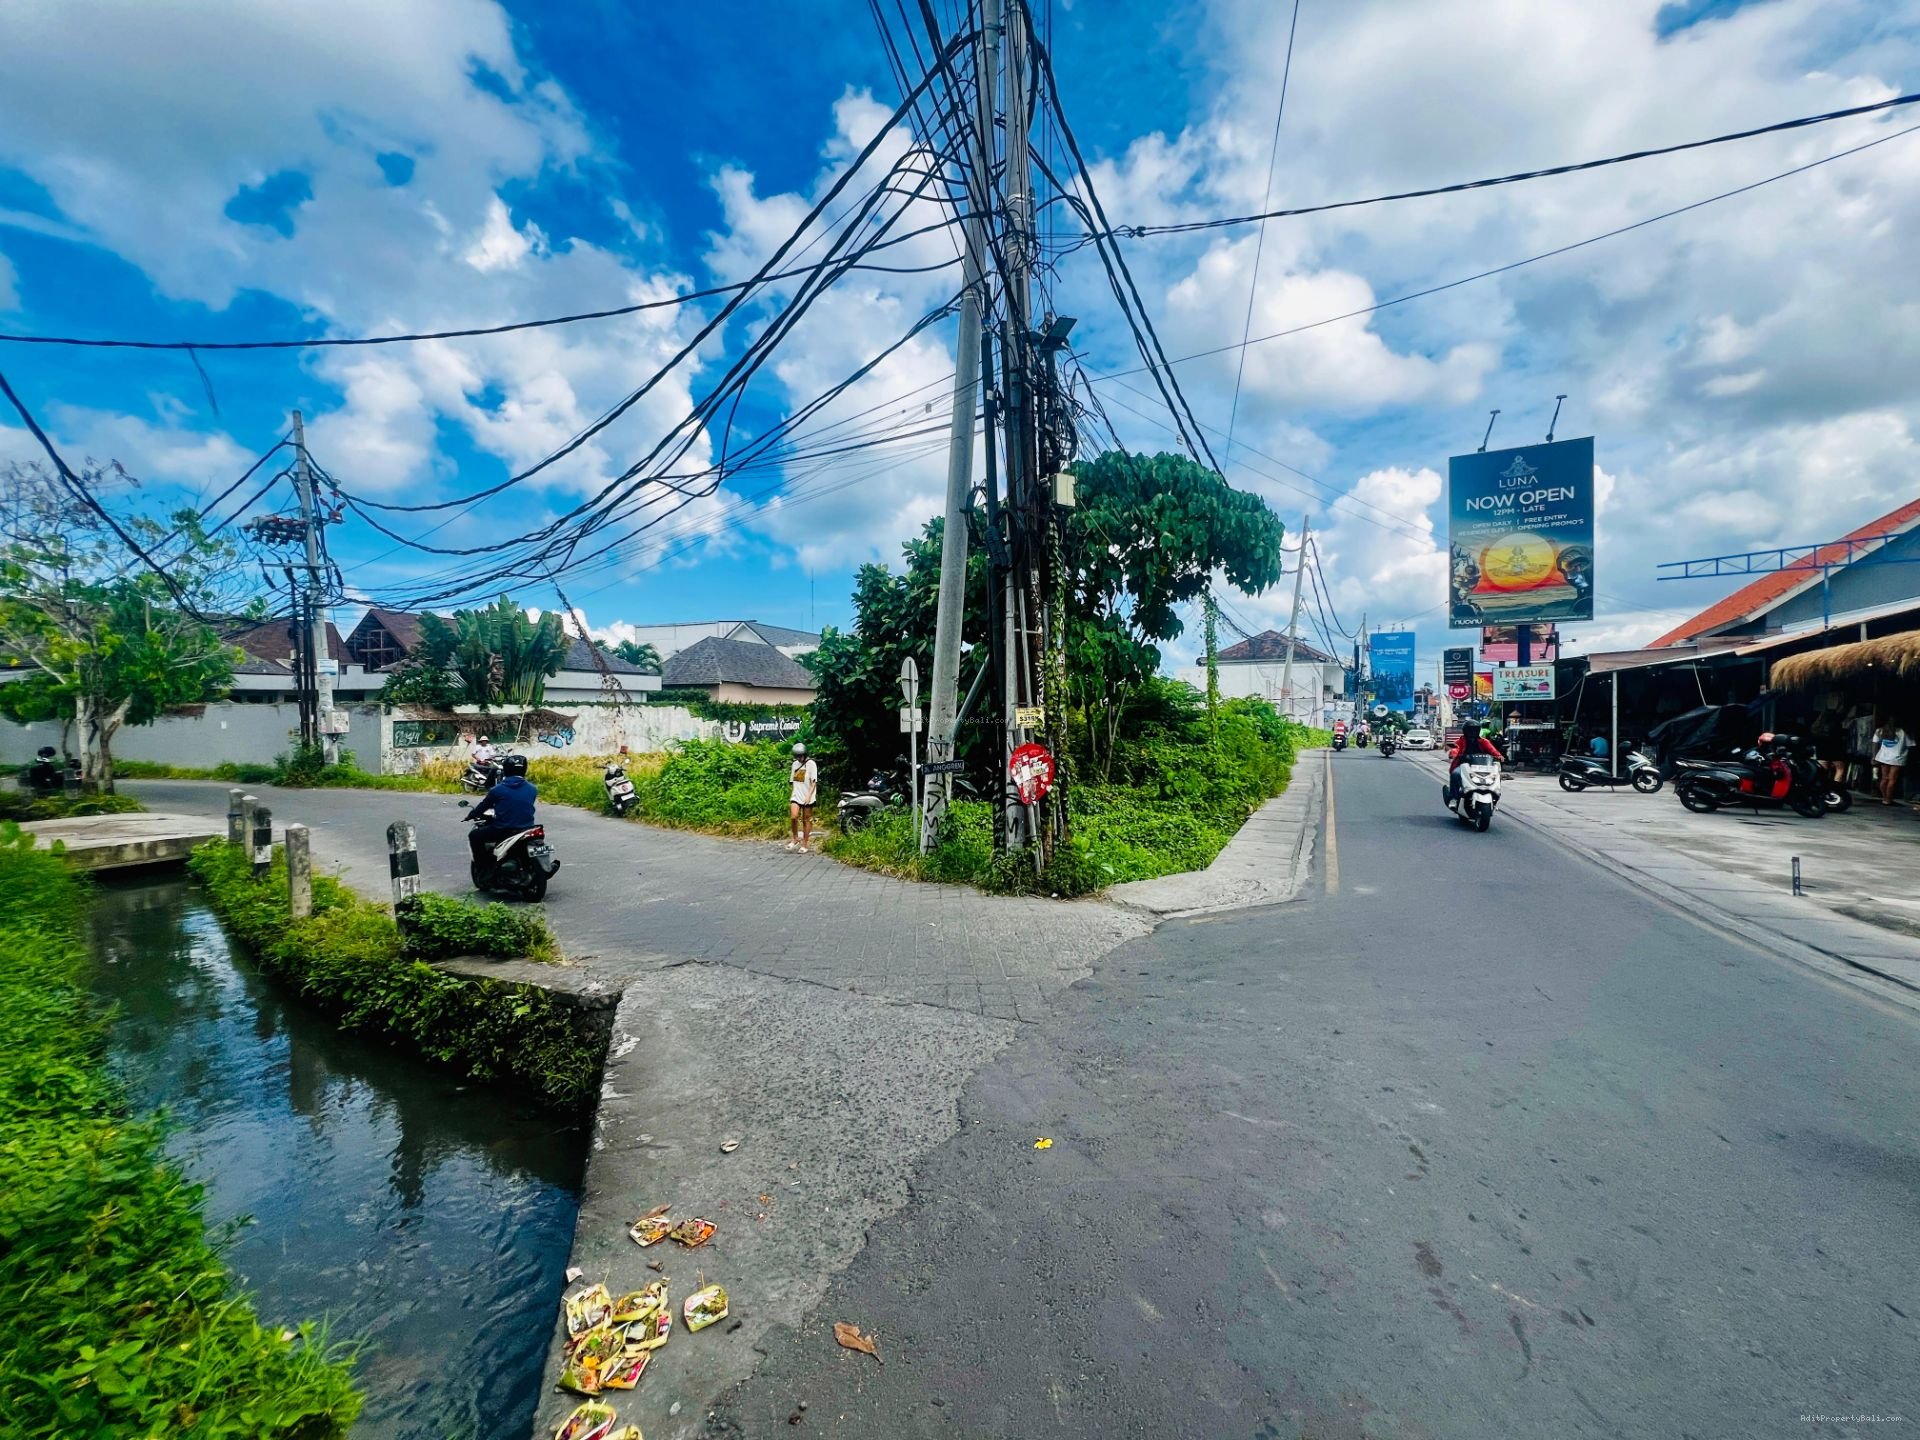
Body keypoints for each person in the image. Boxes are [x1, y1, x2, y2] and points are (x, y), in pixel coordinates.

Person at [469, 752, 538, 864]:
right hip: (528, 828)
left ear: (506, 769)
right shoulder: (533, 789)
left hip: (504, 829)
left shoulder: (497, 790)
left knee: (474, 835)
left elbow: (483, 807)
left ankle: (483, 865)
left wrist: (472, 814)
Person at [1447, 720, 1504, 804]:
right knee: (1455, 774)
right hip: (1463, 766)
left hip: (1482, 766)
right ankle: (1453, 798)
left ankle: (1495, 793)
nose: (1472, 732)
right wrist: (1454, 754)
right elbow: (1456, 748)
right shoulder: (1460, 741)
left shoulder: (1484, 741)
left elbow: (1493, 751)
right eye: (1470, 730)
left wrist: (1499, 756)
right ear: (1465, 731)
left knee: (1497, 776)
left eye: (1475, 730)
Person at [1872, 717, 1911, 807]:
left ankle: (1884, 798)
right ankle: (1889, 800)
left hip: (1883, 757)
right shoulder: (1904, 732)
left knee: (1884, 778)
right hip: (1898, 758)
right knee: (1892, 780)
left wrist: (1874, 757)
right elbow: (1910, 745)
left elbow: (1875, 743)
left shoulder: (1880, 730)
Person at [788, 742, 819, 851]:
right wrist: (792, 794)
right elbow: (792, 781)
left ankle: (805, 843)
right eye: (796, 756)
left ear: (805, 754)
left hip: (808, 795)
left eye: (800, 756)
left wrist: (808, 797)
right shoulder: (794, 764)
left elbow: (814, 782)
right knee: (794, 816)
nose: (798, 758)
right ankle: (795, 838)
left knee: (806, 820)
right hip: (796, 794)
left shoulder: (811, 764)